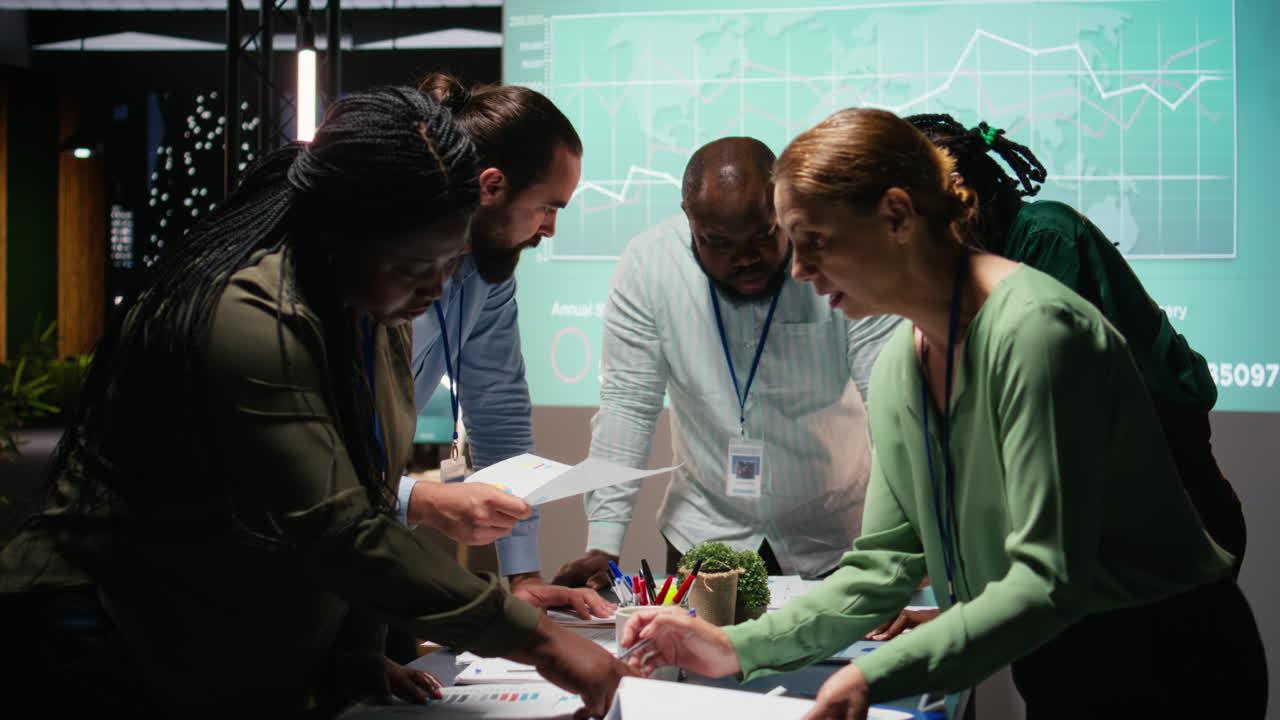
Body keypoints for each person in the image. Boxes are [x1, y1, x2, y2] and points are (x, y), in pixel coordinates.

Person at [0, 87, 626, 718]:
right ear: (346, 235)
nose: (437, 289)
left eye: (449, 262)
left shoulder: (375, 307)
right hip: (99, 630)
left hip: (196, 626)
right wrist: (535, 639)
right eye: (419, 267)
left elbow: (366, 489)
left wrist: (355, 644)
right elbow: (339, 528)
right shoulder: (249, 315)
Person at [620, 108, 1267, 719]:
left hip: (1169, 659)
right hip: (1059, 658)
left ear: (898, 215)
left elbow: (1049, 580)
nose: (803, 271)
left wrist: (874, 673)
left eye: (816, 243)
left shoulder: (1037, 330)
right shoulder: (908, 354)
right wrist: (738, 647)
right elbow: (882, 567)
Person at [906, 113, 1247, 575]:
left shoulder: (1046, 234)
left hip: (1172, 501)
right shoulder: (980, 264)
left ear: (955, 185)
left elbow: (1035, 395)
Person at [553, 137, 900, 587]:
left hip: (834, 535)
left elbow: (892, 410)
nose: (746, 257)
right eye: (718, 242)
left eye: (764, 234)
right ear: (688, 218)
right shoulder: (649, 267)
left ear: (784, 207)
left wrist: (902, 541)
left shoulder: (838, 259)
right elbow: (627, 408)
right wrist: (603, 543)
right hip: (705, 533)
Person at [384, 73, 610, 624]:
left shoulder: (488, 275)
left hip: (367, 537)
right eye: (547, 208)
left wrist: (523, 573)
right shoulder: (377, 274)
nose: (550, 229)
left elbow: (500, 413)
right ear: (491, 186)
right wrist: (421, 500)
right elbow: (321, 463)